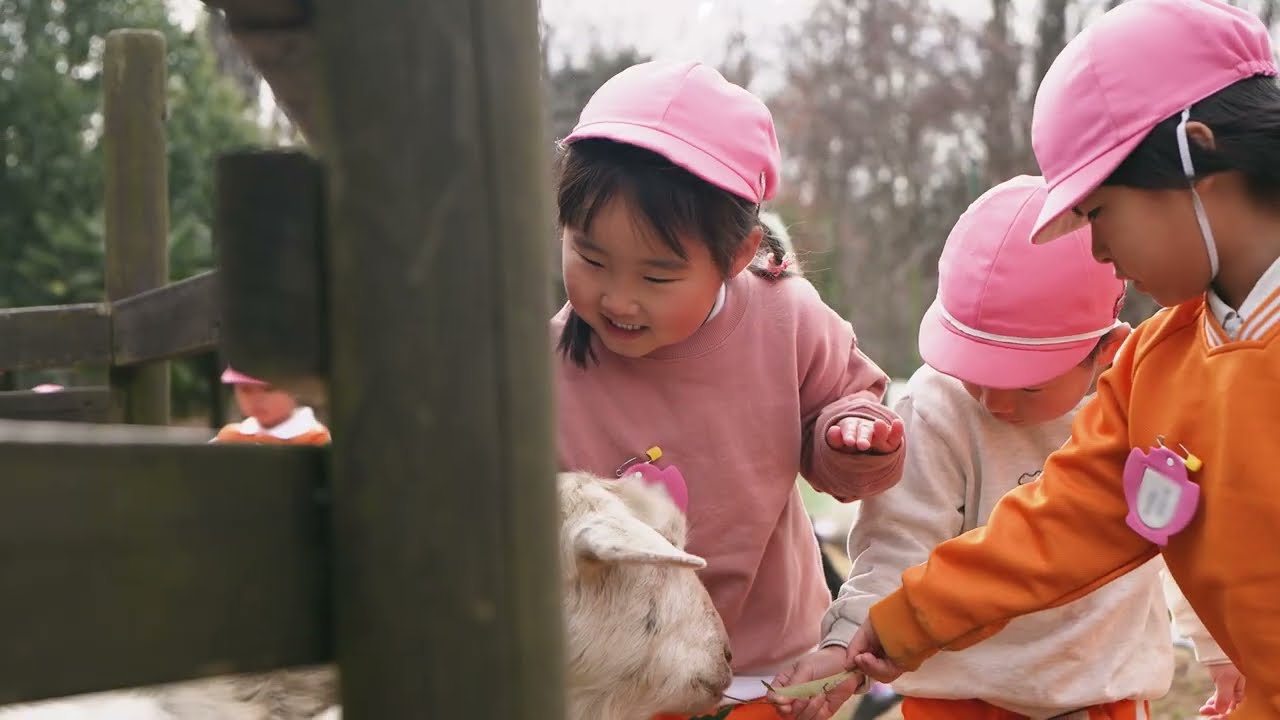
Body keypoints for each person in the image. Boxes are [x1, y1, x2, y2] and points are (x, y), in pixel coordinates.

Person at [829, 1, 1280, 716]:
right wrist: (908, 615)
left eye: (1099, 212)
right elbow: (1057, 523)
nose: (1097, 250)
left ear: (1199, 158)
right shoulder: (1155, 365)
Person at [771, 175, 1239, 720]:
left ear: (1107, 350)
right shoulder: (935, 404)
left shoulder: (1147, 402)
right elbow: (898, 542)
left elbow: (1185, 534)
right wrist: (848, 643)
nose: (995, 401)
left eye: (1027, 383)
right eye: (974, 371)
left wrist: (1220, 646)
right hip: (957, 699)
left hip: (1098, 695)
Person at [551, 59, 907, 720]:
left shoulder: (787, 320)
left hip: (768, 669)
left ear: (738, 256)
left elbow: (844, 411)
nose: (618, 298)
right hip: (624, 677)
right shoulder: (544, 368)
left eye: (657, 277)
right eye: (590, 259)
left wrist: (851, 438)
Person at [212, 366, 330, 446]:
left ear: (295, 388)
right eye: (245, 389)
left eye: (268, 389)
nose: (256, 399)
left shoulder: (315, 440)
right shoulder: (231, 437)